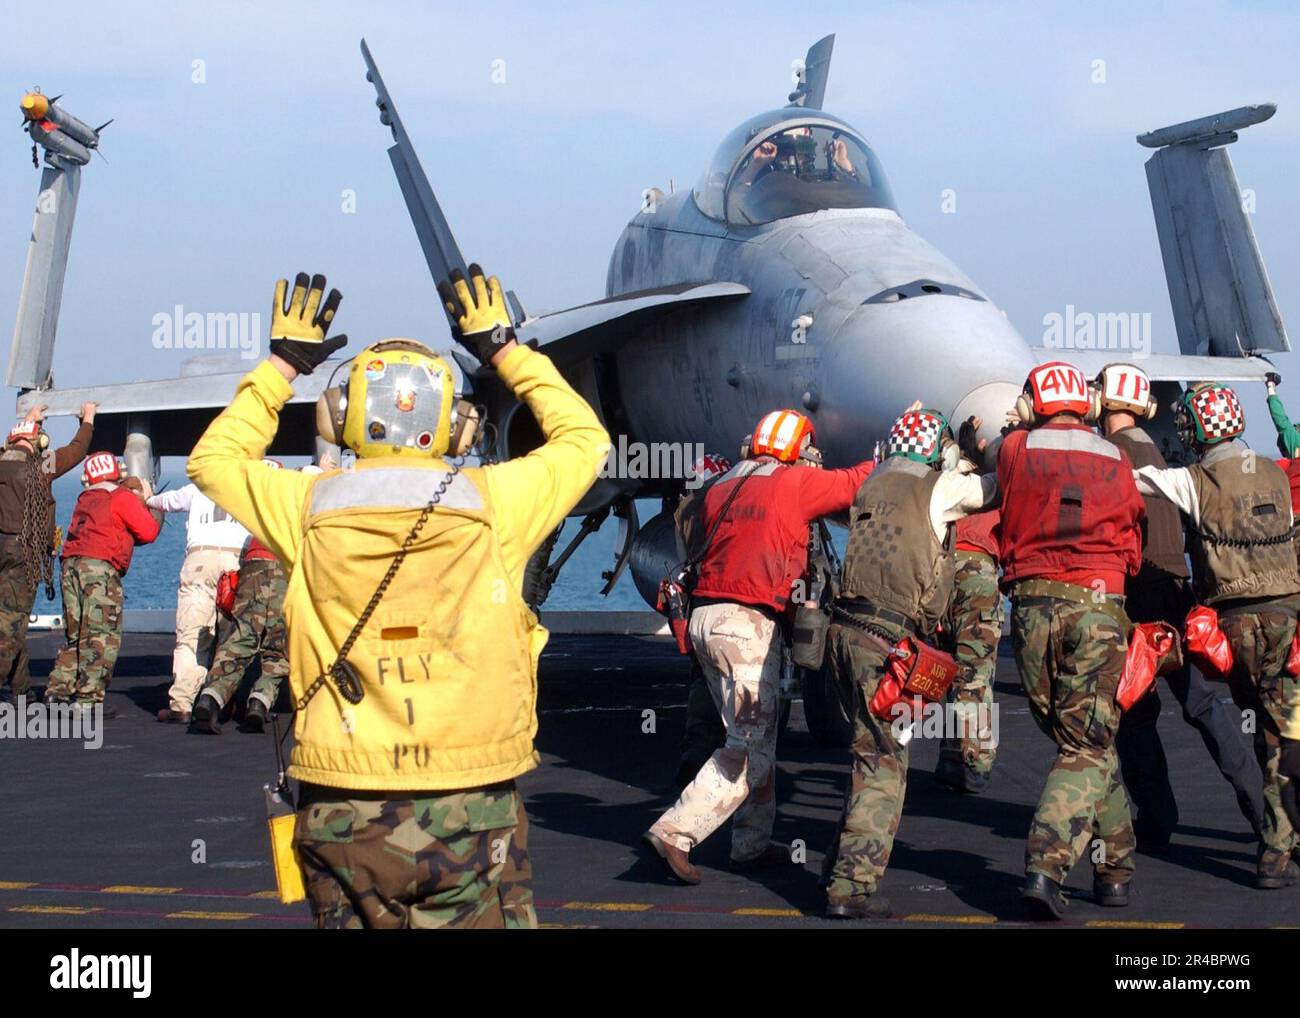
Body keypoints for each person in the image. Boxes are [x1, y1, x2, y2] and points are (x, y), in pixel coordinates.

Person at [187, 267, 608, 928]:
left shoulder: (307, 506)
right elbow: (586, 441)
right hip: (472, 804)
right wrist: (505, 350)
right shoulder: (495, 504)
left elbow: (212, 461)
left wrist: (281, 366)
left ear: (340, 418)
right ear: (459, 426)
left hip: (342, 802)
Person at [643, 410, 873, 885]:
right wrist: (890, 450)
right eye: (809, 452)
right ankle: (676, 831)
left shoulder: (726, 483)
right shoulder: (792, 484)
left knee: (757, 736)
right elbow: (853, 484)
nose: (813, 459)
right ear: (795, 450)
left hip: (706, 620)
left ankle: (750, 843)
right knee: (749, 750)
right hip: (746, 628)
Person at [822, 407, 995, 919]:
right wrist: (986, 452)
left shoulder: (871, 482)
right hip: (886, 643)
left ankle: (838, 863)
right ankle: (850, 889)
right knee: (884, 762)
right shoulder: (937, 488)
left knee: (864, 750)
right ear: (937, 451)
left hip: (842, 637)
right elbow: (994, 490)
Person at [1133, 382, 1300, 890]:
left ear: (1200, 430)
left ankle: (1275, 849)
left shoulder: (1194, 478)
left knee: (1267, 735)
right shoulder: (1274, 470)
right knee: (1288, 730)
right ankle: (1281, 836)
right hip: (1290, 621)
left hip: (1235, 628)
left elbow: (1136, 481)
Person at [1096, 363, 1264, 850]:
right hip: (1177, 590)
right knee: (1207, 707)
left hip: (1139, 596)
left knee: (1133, 710)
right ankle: (1264, 817)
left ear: (1104, 404)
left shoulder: (1112, 456)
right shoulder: (1158, 453)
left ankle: (1156, 817)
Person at [998, 361, 1144, 919]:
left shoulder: (1017, 448)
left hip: (1033, 610)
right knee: (1087, 743)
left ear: (1035, 402)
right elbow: (1133, 528)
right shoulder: (1117, 457)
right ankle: (1058, 865)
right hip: (1100, 608)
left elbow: (1002, 471)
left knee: (1079, 738)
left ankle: (1104, 867)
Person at [43, 452, 162, 715]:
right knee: (100, 636)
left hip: (70, 567)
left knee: (76, 634)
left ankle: (57, 691)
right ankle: (87, 702)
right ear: (115, 472)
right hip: (98, 571)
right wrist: (151, 502)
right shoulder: (120, 497)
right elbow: (149, 531)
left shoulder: (86, 498)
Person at [189, 462, 300, 735]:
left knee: (239, 640)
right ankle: (259, 703)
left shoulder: (261, 513)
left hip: (254, 567)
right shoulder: (300, 509)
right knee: (278, 647)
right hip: (286, 572)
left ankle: (211, 697)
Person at [0, 403, 95, 702]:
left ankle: (22, 690)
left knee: (11, 619)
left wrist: (28, 421)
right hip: (23, 553)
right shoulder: (41, 466)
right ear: (38, 442)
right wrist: (88, 420)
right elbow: (77, 449)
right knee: (12, 624)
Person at [147, 480, 250, 723]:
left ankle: (181, 703)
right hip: (236, 564)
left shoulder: (198, 488)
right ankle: (222, 699)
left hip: (200, 561)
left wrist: (148, 497)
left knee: (191, 635)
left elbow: (168, 501)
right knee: (232, 637)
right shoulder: (249, 486)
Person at [672, 452, 732, 789]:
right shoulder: (724, 506)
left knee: (700, 681)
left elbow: (682, 561)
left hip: (697, 607)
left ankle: (696, 750)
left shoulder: (683, 513)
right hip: (728, 605)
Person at [934, 507, 1002, 794]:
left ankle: (951, 755)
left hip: (937, 568)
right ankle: (972, 761)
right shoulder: (995, 482)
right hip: (978, 570)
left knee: (945, 669)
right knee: (975, 671)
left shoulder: (942, 476)